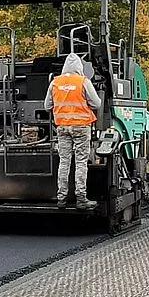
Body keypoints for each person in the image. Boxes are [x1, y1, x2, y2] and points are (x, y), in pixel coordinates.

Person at [44, 53, 102, 209]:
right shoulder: (83, 81)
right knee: (81, 162)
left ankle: (61, 198)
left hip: (62, 127)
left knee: (64, 162)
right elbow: (97, 104)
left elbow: (47, 106)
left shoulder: (55, 82)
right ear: (79, 67)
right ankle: (81, 198)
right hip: (81, 127)